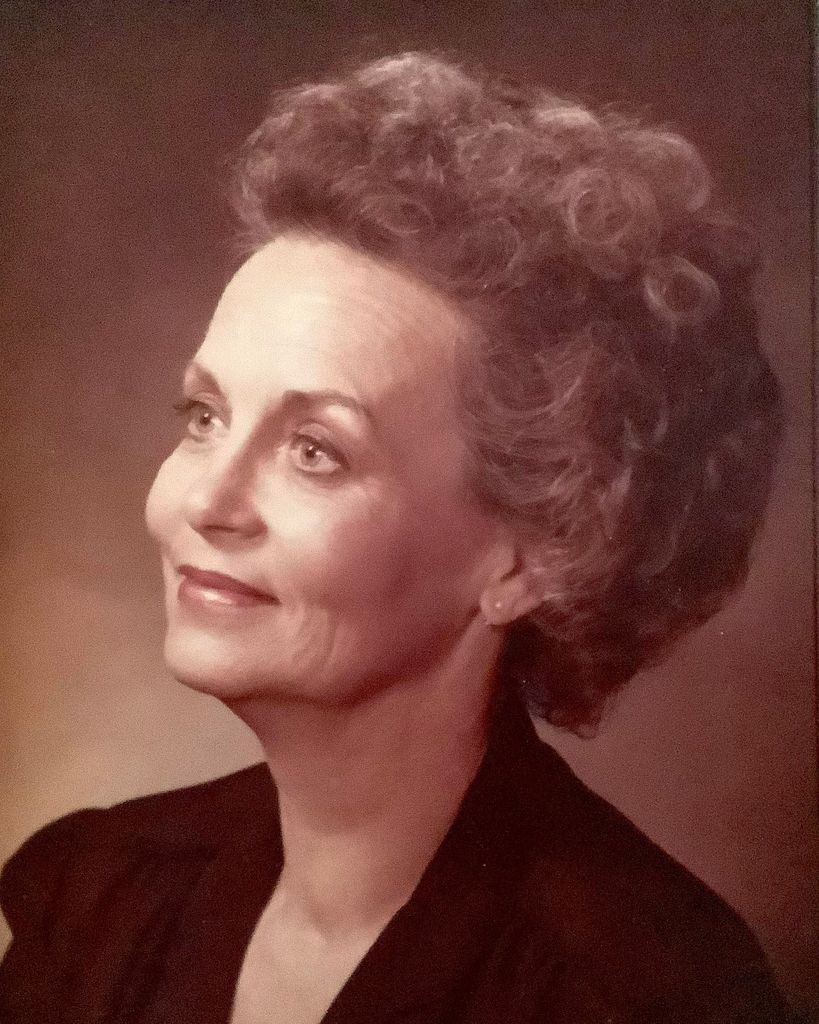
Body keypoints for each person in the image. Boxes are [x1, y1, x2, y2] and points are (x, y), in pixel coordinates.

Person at [0, 52, 796, 1024]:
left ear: (530, 553)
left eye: (315, 451)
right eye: (204, 417)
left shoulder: (643, 990)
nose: (206, 499)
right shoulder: (102, 898)